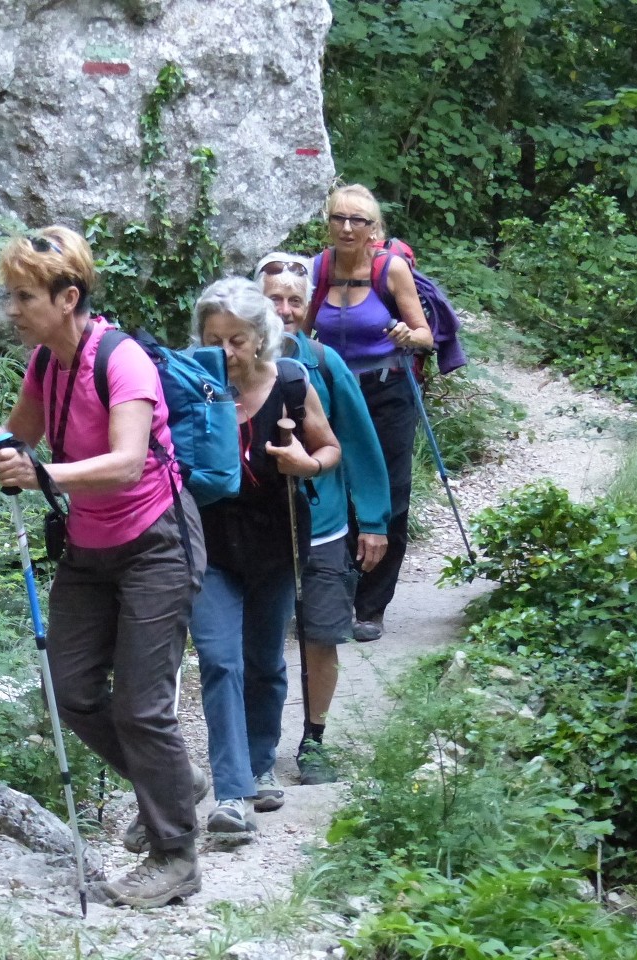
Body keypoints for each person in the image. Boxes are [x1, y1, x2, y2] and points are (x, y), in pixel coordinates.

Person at [0, 225, 207, 909]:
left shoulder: (122, 361)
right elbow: (18, 440)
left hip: (158, 544)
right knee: (70, 689)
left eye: (24, 296)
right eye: (10, 294)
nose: (11, 309)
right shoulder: (46, 364)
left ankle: (175, 854)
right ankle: (175, 787)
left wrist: (45, 477)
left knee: (142, 706)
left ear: (69, 297)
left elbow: (126, 463)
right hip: (91, 549)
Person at [188, 276, 341, 834]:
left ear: (259, 338)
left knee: (266, 661)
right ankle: (231, 793)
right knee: (220, 658)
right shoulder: (190, 387)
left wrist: (307, 465)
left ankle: (258, 763)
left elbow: (329, 448)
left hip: (276, 544)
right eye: (214, 338)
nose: (225, 351)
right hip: (208, 545)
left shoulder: (293, 384)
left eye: (235, 339)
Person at [255, 252, 391, 783]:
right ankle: (256, 745)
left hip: (325, 522)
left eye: (294, 299)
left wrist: (374, 519)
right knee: (258, 639)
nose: (285, 311)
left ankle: (314, 739)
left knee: (321, 634)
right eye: (274, 300)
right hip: (258, 527)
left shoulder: (323, 362)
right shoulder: (227, 364)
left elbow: (357, 439)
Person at [307, 185, 432, 643]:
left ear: (372, 228)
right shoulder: (317, 269)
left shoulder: (390, 270)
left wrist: (405, 333)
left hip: (387, 393)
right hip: (330, 394)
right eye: (338, 218)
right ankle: (334, 593)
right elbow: (300, 333)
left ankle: (371, 606)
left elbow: (425, 336)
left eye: (357, 220)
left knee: (390, 492)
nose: (346, 227)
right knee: (331, 488)